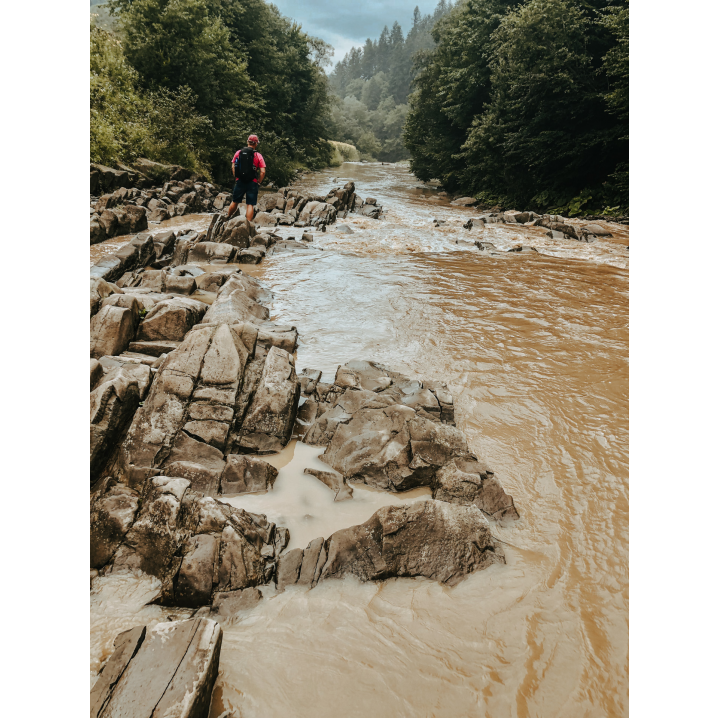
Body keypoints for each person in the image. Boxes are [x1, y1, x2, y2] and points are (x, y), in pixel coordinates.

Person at [226, 134, 266, 221]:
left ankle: (227, 217)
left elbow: (233, 167)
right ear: (256, 144)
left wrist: (236, 177)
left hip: (240, 181)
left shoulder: (238, 153)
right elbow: (262, 171)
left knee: (235, 201)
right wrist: (259, 181)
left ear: (247, 142)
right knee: (250, 204)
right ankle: (248, 224)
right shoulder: (258, 155)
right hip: (252, 182)